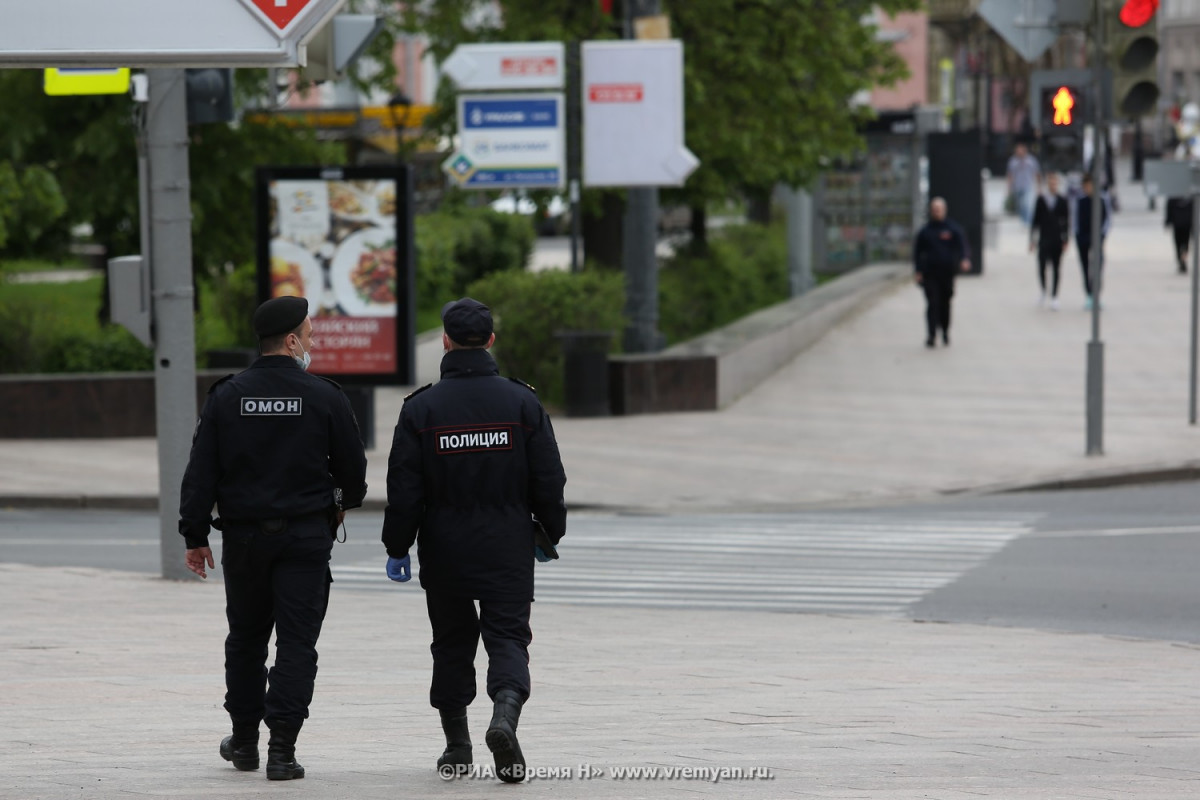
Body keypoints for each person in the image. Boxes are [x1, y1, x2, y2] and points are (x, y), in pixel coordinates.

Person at [179, 296, 368, 782]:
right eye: (308, 335)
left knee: (245, 639)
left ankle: (244, 742)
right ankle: (282, 750)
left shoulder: (226, 395)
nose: (311, 343)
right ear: (290, 341)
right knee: (297, 644)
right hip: (306, 538)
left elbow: (201, 473)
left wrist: (194, 534)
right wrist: (342, 501)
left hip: (243, 540)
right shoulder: (325, 395)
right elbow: (353, 470)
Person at [381, 297, 567, 784]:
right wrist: (549, 531)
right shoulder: (522, 402)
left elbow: (403, 490)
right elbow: (549, 480)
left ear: (444, 341)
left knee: (450, 643)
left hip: (444, 549)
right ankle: (504, 717)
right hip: (507, 544)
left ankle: (457, 747)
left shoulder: (420, 408)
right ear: (490, 340)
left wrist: (397, 546)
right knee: (508, 637)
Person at [913, 197, 972, 348]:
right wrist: (918, 271)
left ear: (944, 210)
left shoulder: (952, 229)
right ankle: (931, 335)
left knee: (945, 303)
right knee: (932, 303)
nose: (936, 212)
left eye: (939, 209)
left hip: (947, 273)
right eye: (934, 209)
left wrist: (965, 259)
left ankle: (945, 331)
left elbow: (962, 246)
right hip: (930, 273)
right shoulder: (925, 231)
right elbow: (917, 252)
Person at [1029, 172, 1071, 310]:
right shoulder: (1041, 200)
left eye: (1055, 183)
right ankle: (1043, 290)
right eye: (1051, 183)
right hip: (1044, 238)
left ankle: (1054, 296)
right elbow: (1035, 221)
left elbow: (1067, 222)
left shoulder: (1062, 200)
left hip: (1057, 239)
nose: (1053, 185)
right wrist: (1032, 240)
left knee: (1056, 267)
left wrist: (1066, 239)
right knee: (1041, 266)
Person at [1075, 174, 1111, 310]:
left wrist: (1102, 235)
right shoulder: (1080, 201)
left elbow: (1107, 219)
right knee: (1085, 267)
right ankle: (1088, 294)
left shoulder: (1101, 200)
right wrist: (1078, 236)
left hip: (1097, 238)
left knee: (1098, 265)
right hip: (1083, 238)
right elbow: (1076, 221)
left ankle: (1096, 293)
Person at [1006, 141, 1042, 226]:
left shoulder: (1031, 161)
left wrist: (1039, 187)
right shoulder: (1013, 161)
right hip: (1017, 186)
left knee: (1027, 204)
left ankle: (1028, 222)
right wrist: (1009, 188)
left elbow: (1037, 174)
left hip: (1028, 186)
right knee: (1021, 205)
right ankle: (1023, 221)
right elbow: (1010, 175)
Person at [1165, 195, 1194, 274]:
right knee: (1185, 243)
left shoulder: (1174, 196)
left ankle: (1181, 258)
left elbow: (1169, 210)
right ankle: (1183, 257)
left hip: (1178, 224)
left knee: (1178, 243)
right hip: (1187, 224)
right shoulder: (1190, 197)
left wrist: (1167, 222)